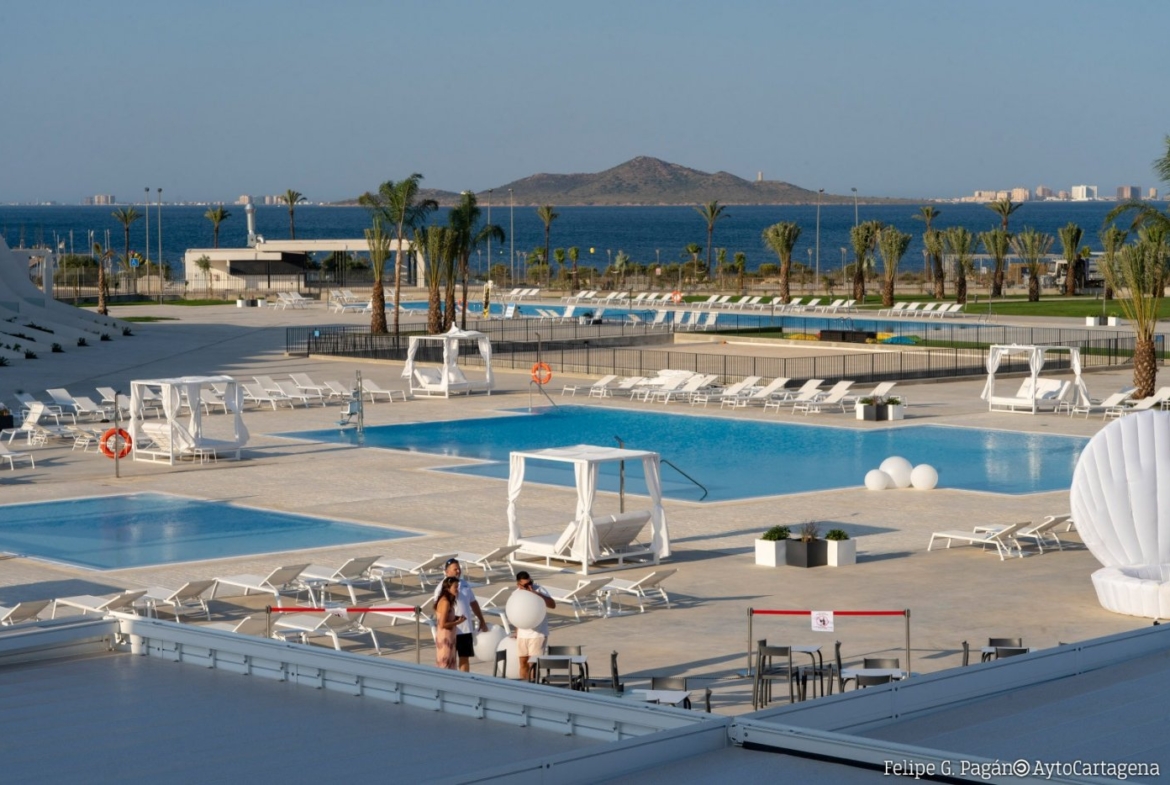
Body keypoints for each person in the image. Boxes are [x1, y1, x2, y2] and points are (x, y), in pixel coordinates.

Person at [431, 558, 490, 673]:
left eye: (459, 569)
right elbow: (438, 610)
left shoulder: (464, 584)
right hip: (450, 630)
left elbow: (473, 602)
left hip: (465, 628)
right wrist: (451, 623)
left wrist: (481, 619)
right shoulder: (441, 588)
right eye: (455, 569)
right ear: (447, 571)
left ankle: (464, 680)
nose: (458, 571)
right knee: (448, 660)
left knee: (464, 658)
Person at [513, 570, 555, 682]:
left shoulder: (539, 590)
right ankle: (523, 686)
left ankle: (533, 685)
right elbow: (516, 613)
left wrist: (536, 594)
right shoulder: (516, 594)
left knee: (533, 664)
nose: (529, 586)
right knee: (522, 662)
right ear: (518, 584)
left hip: (537, 633)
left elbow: (552, 605)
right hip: (523, 634)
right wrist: (517, 631)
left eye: (530, 582)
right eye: (526, 585)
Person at [433, 576, 463, 670]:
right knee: (445, 664)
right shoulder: (445, 602)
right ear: (447, 588)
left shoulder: (447, 601)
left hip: (450, 637)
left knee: (449, 663)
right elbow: (443, 624)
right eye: (455, 587)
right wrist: (457, 622)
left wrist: (456, 618)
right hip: (445, 638)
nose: (457, 590)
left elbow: (445, 617)